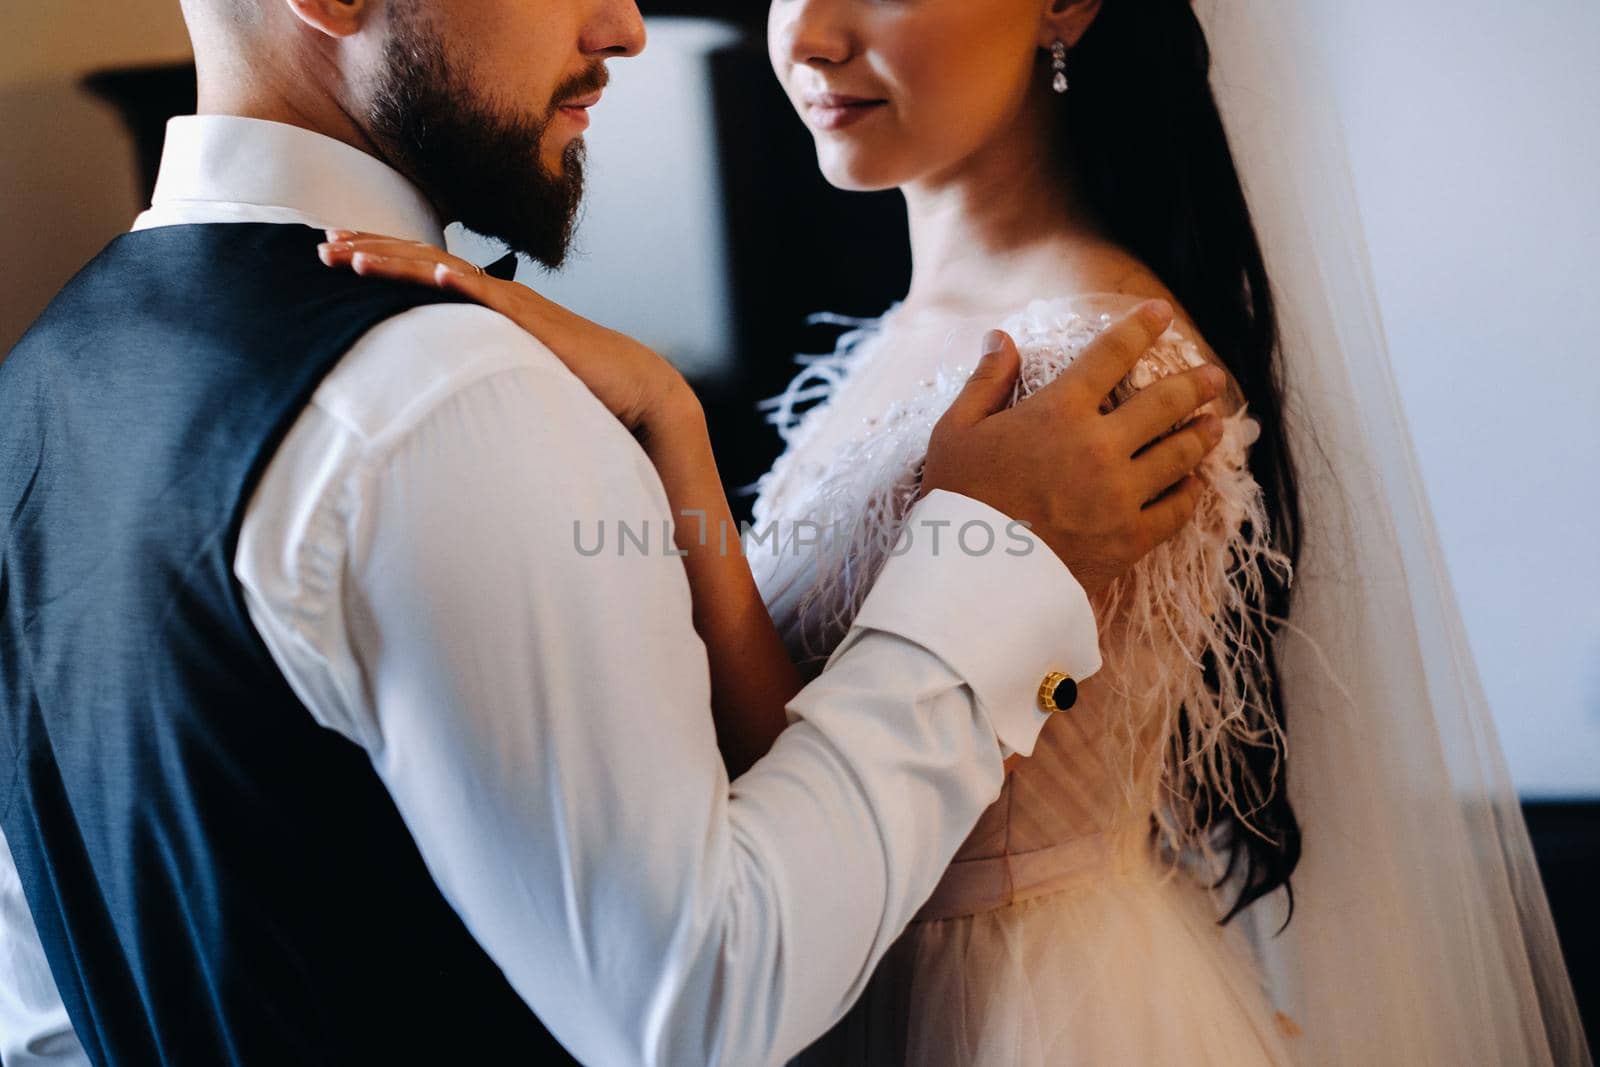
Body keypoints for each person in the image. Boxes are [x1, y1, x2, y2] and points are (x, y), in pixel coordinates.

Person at [323, 0, 1591, 1063]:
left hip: (1019, 1015)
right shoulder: (945, 325)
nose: (808, 38)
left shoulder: (1090, 375)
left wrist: (670, 425)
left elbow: (890, 838)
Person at [0, 1, 1235, 1064]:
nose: (628, 27)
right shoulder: (440, 394)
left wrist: (674, 438)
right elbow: (695, 1003)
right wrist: (991, 557)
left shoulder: (46, 380)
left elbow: (41, 1001)